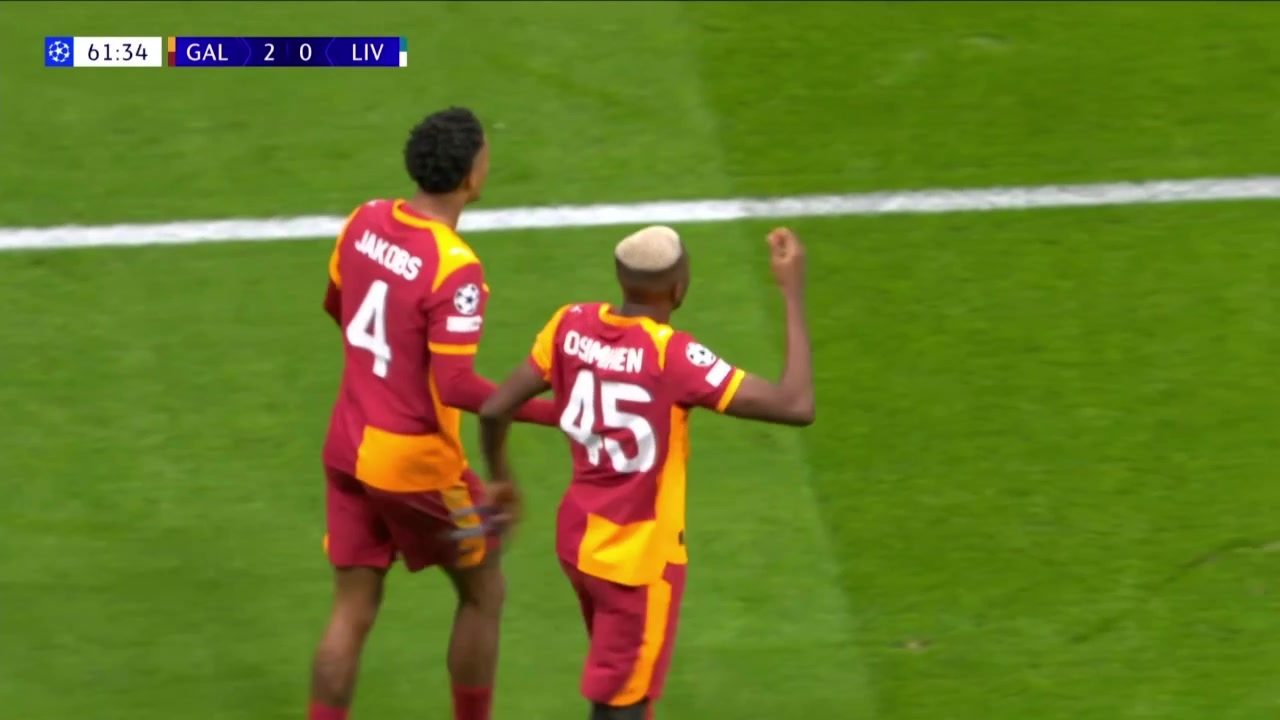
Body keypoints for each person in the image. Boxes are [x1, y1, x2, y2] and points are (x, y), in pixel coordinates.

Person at [475, 225, 815, 719]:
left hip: (579, 542)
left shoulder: (570, 324)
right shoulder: (671, 355)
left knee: (623, 676)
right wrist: (792, 291)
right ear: (679, 287)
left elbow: (493, 410)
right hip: (636, 563)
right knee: (622, 703)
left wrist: (501, 479)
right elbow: (796, 404)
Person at [310, 107, 558, 720]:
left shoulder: (364, 219)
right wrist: (552, 412)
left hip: (347, 442)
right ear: (472, 176)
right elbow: (457, 385)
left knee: (351, 608)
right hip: (414, 464)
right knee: (484, 590)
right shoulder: (455, 267)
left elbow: (337, 305)